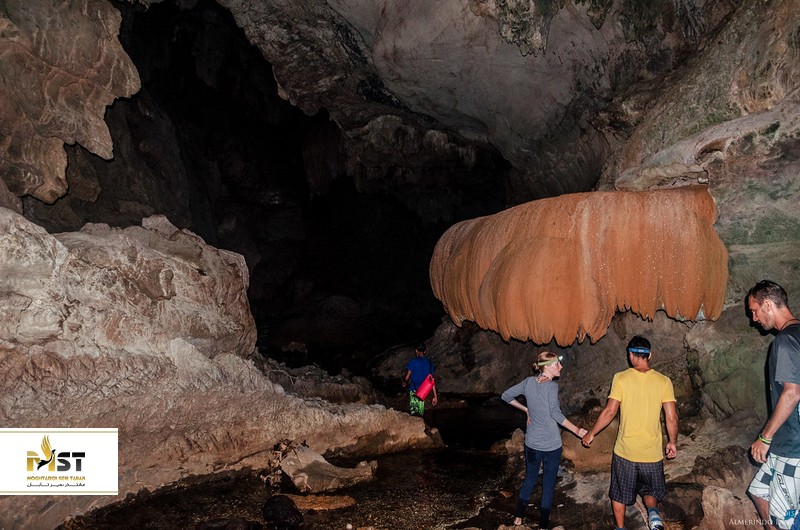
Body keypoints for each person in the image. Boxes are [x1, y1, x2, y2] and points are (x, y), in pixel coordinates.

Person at [581, 336, 678, 530]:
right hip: (651, 453)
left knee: (619, 493)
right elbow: (672, 417)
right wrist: (672, 442)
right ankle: (653, 515)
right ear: (650, 355)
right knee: (650, 489)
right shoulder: (664, 381)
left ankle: (620, 527)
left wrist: (591, 434)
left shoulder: (621, 378)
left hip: (626, 452)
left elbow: (610, 412)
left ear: (631, 355)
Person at [501, 351, 588, 528]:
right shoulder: (551, 387)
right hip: (551, 445)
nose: (561, 367)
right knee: (548, 485)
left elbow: (506, 396)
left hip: (531, 443)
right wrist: (577, 430)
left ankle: (518, 517)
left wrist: (526, 409)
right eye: (557, 364)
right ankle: (542, 525)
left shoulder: (528, 382)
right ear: (547, 367)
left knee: (530, 478)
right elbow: (555, 413)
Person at [745, 280, 800, 530]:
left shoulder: (785, 341)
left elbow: (792, 393)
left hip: (792, 446)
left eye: (755, 311)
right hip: (786, 442)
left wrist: (765, 437)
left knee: (784, 519)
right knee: (758, 491)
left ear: (767, 304)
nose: (753, 319)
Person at [402, 342, 437, 416]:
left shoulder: (413, 362)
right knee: (421, 414)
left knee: (415, 415)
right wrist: (435, 396)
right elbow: (432, 380)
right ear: (425, 351)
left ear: (416, 351)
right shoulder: (430, 363)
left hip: (414, 390)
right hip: (424, 392)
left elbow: (407, 377)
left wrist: (404, 382)